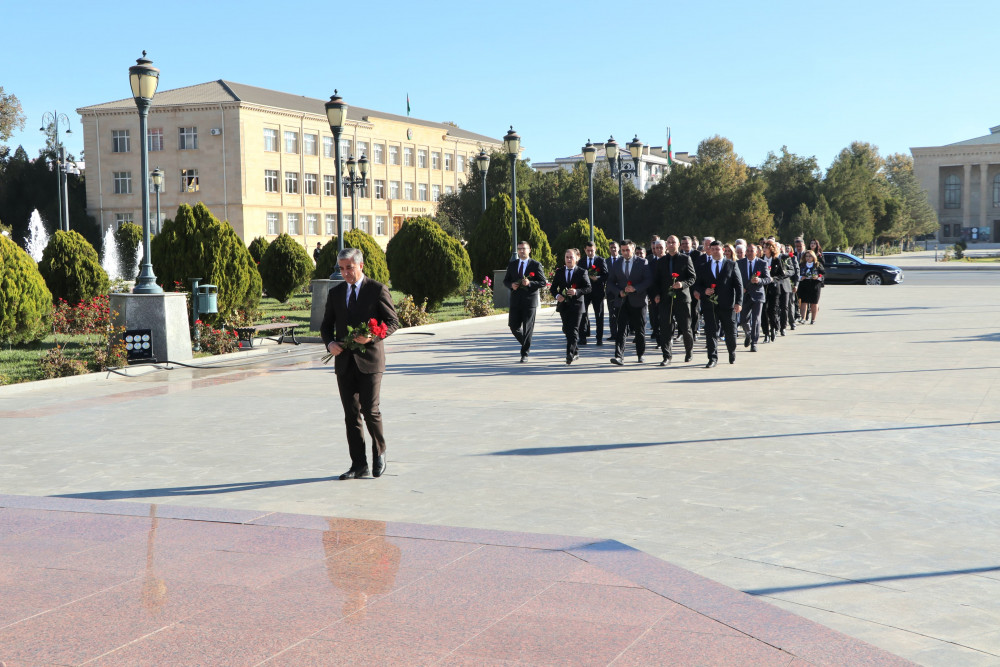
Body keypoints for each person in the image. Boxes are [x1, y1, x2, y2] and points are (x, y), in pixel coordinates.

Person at [320, 248, 400, 480]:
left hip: (370, 362)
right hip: (344, 362)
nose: (345, 273)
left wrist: (371, 337)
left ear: (361, 266)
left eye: (349, 268)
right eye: (341, 268)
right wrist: (330, 344)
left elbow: (393, 322)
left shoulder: (376, 290)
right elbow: (326, 326)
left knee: (370, 410)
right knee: (351, 414)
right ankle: (358, 464)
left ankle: (380, 452)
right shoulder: (336, 293)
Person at [693, 240, 743, 367]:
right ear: (710, 250)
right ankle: (712, 358)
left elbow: (738, 286)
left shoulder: (731, 265)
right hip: (709, 305)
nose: (715, 251)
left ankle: (731, 351)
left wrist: (738, 302)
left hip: (727, 305)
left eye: (718, 249)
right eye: (713, 249)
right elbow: (697, 284)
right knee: (711, 332)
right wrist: (704, 291)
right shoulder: (704, 266)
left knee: (730, 332)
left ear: (723, 250)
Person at [607, 239, 653, 365]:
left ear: (633, 249)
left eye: (627, 250)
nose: (625, 253)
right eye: (623, 250)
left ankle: (640, 354)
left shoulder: (642, 262)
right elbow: (610, 282)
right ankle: (619, 356)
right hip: (622, 301)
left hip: (638, 301)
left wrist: (636, 288)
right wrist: (619, 292)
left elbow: (648, 280)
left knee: (639, 330)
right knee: (621, 329)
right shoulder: (617, 263)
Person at [651, 235, 696, 365]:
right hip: (666, 299)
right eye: (669, 242)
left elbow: (692, 277)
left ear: (678, 245)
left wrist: (682, 284)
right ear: (666, 245)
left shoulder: (685, 259)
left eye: (673, 242)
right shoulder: (661, 261)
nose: (671, 244)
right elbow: (656, 281)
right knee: (665, 328)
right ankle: (667, 356)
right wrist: (656, 294)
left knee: (686, 328)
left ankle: (689, 352)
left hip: (682, 298)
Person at [502, 241, 547, 362]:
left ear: (529, 250)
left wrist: (530, 283)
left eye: (524, 248)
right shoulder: (513, 264)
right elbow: (506, 280)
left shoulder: (535, 265)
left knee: (528, 328)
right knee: (513, 326)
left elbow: (543, 282)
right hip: (516, 300)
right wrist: (511, 285)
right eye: (519, 249)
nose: (521, 251)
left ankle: (524, 354)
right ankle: (526, 344)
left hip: (529, 301)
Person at [550, 248, 592, 364]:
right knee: (566, 329)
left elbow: (588, 288)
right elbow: (553, 288)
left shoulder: (582, 272)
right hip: (563, 305)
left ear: (576, 258)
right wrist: (557, 295)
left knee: (573, 330)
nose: (569, 260)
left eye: (571, 257)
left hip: (577, 305)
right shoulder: (560, 272)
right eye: (567, 257)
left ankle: (569, 354)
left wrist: (577, 291)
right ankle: (576, 351)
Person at [737, 243, 771, 352]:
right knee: (743, 319)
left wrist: (759, 280)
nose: (749, 253)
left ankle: (754, 343)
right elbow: (736, 279)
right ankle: (748, 334)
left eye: (752, 251)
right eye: (748, 251)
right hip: (745, 295)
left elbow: (768, 279)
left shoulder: (762, 263)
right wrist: (741, 288)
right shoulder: (739, 263)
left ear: (757, 252)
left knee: (756, 319)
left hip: (758, 295)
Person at [578, 242, 608, 346]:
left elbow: (606, 275)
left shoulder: (600, 260)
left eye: (592, 250)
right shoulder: (581, 261)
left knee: (599, 315)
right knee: (583, 314)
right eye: (588, 250)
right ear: (585, 250)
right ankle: (582, 337)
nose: (590, 252)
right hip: (585, 292)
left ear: (595, 249)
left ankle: (599, 338)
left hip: (597, 292)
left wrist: (598, 278)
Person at [763, 240, 791, 338]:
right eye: (763, 247)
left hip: (774, 288)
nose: (764, 249)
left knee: (773, 310)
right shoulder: (760, 260)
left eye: (766, 247)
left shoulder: (776, 260)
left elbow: (781, 275)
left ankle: (774, 328)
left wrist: (773, 279)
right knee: (764, 310)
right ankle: (765, 332)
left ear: (771, 249)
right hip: (763, 288)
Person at [798, 250, 825, 324]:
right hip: (804, 284)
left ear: (813, 257)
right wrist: (801, 277)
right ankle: (803, 318)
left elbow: (823, 274)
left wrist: (817, 277)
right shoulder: (802, 265)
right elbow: (797, 274)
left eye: (810, 256)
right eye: (806, 256)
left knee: (814, 302)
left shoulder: (817, 264)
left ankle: (813, 319)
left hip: (815, 285)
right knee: (804, 302)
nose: (808, 258)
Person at [605, 241, 621, 346]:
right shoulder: (606, 261)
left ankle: (623, 332)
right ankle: (613, 334)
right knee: (612, 313)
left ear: (618, 248)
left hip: (621, 290)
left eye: (615, 247)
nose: (613, 249)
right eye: (611, 247)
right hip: (610, 291)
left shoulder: (623, 260)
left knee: (622, 312)